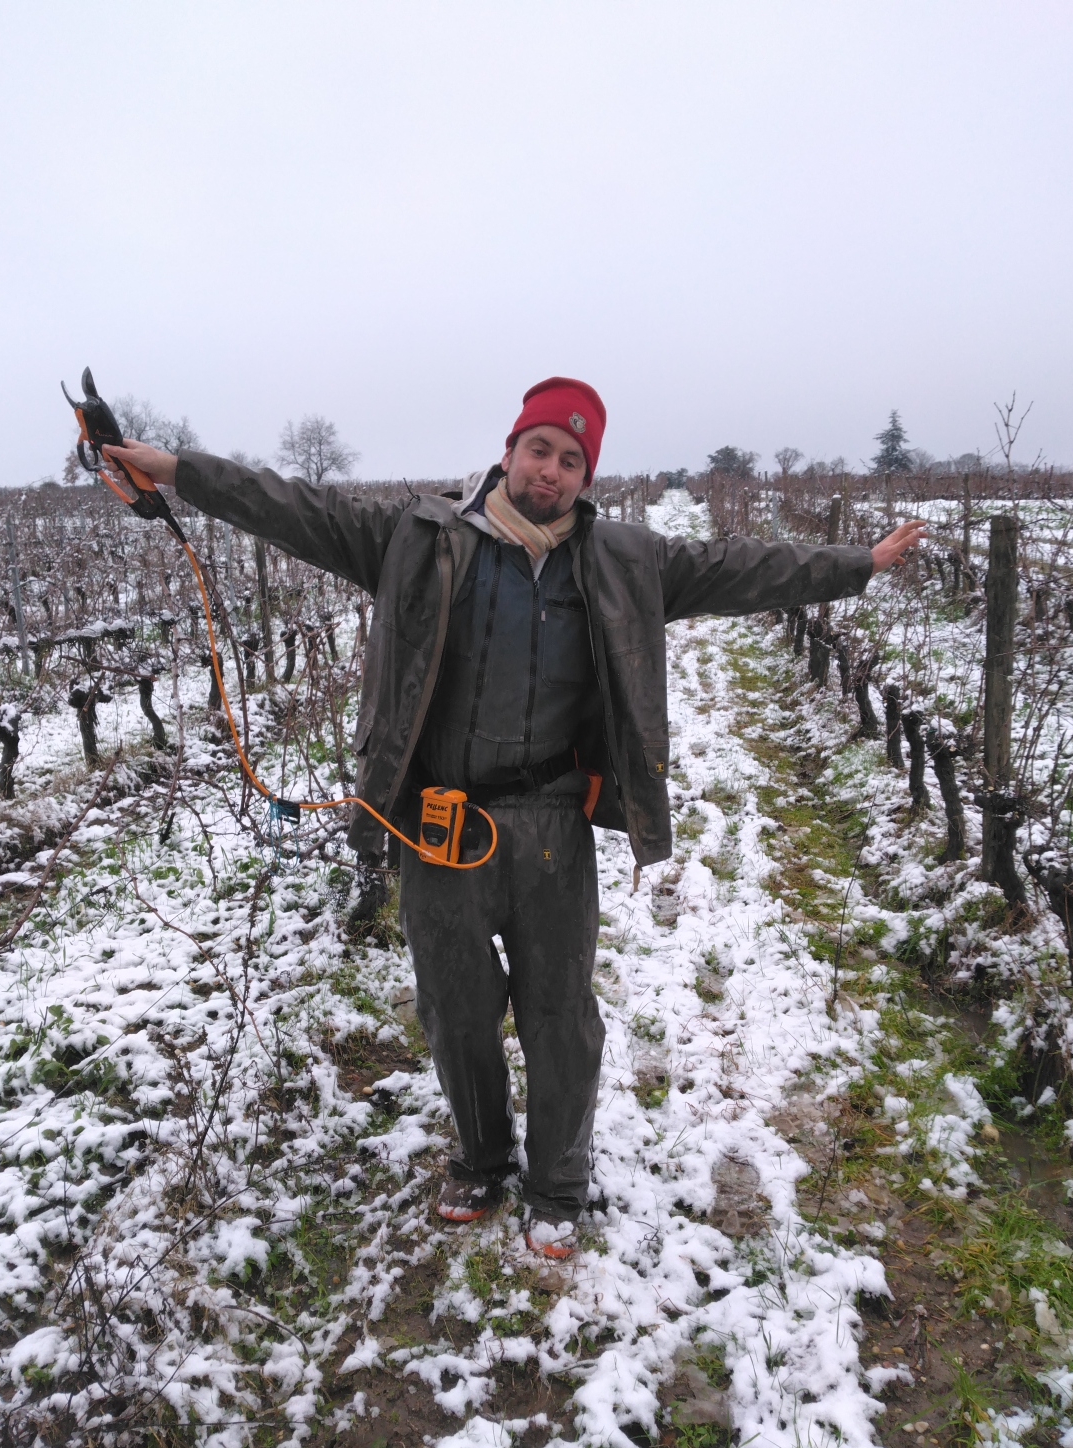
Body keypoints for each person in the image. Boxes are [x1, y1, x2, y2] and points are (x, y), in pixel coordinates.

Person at [108, 378, 926, 1259]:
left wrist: (859, 565)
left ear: (587, 475)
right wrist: (180, 470)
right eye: (541, 449)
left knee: (559, 1014)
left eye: (573, 459)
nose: (553, 470)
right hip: (439, 823)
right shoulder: (419, 540)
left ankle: (558, 1182)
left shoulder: (623, 560)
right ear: (509, 451)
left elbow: (742, 569)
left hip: (551, 829)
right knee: (455, 1011)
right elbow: (294, 507)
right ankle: (483, 1158)